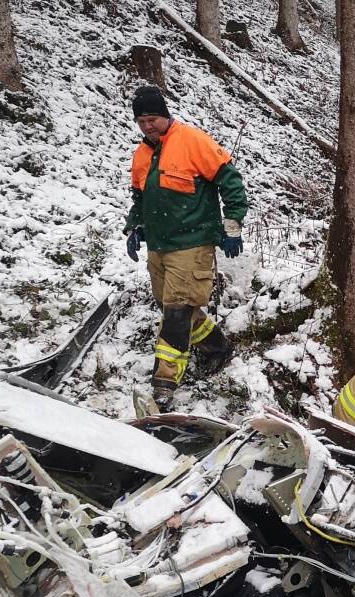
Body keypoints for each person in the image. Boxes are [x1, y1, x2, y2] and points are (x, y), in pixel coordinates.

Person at [123, 85, 248, 408]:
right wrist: (135, 226)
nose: (148, 125)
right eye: (141, 120)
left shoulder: (193, 141)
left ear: (165, 115)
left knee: (177, 311)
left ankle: (165, 381)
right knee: (173, 306)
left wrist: (232, 223)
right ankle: (218, 348)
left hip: (192, 242)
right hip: (159, 244)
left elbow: (229, 180)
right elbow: (139, 197)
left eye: (152, 118)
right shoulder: (142, 154)